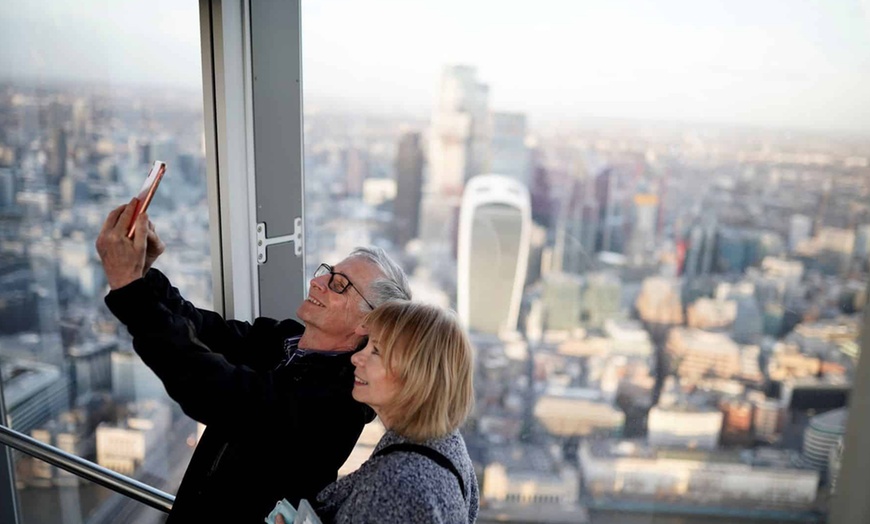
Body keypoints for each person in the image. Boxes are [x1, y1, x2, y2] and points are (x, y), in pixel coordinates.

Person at [94, 200, 412, 523]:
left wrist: (129, 291)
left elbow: (217, 391)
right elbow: (201, 330)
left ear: (367, 324)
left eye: (339, 285)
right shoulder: (284, 342)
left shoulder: (335, 405)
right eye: (327, 273)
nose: (318, 282)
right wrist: (143, 275)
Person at [278, 300, 479, 523]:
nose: (356, 358)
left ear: (415, 374)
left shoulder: (397, 484)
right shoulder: (447, 446)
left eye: (376, 351)